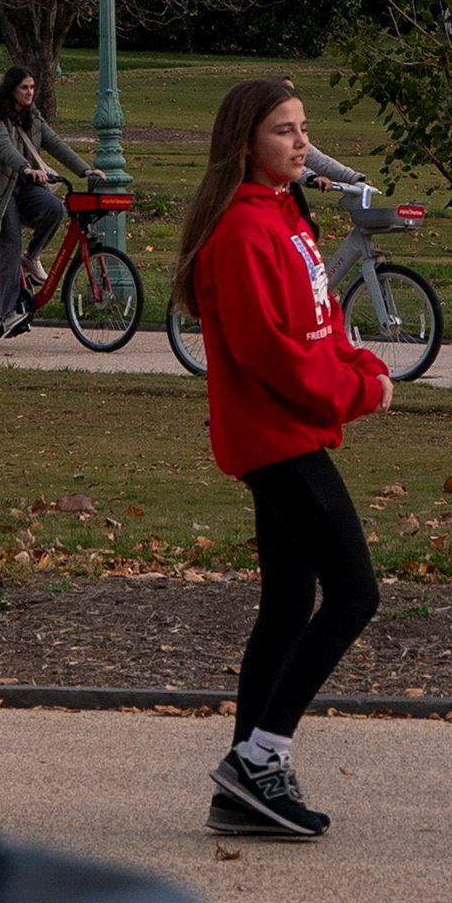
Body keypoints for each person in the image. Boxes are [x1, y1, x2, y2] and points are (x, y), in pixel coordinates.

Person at [178, 74, 392, 843]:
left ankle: (244, 782)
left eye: (303, 128)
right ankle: (261, 756)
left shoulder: (285, 214)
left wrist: (359, 366)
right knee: (354, 593)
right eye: (284, 130)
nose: (301, 142)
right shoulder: (239, 231)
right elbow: (272, 354)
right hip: (277, 442)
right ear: (245, 141)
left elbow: (321, 319)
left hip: (295, 433)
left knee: (287, 602)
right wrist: (357, 391)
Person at [0, 58, 91, 299]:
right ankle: (8, 312)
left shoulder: (32, 115)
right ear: (12, 89)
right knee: (11, 245)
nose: (29, 92)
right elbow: (3, 146)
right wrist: (25, 168)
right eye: (24, 87)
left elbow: (53, 143)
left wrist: (85, 170)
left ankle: (31, 257)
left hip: (22, 187)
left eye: (32, 87)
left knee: (55, 209)